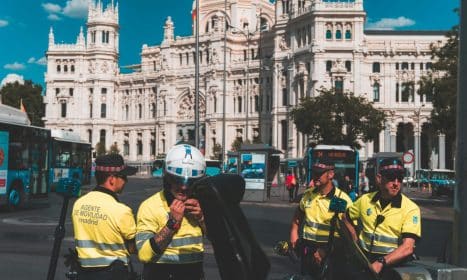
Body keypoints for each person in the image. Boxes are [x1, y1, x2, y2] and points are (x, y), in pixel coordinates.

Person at [136, 144, 207, 280]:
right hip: (160, 275)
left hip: (194, 274)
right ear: (167, 178)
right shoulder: (150, 206)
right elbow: (144, 254)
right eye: (177, 180)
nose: (184, 187)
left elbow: (220, 239)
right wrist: (172, 223)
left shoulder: (200, 205)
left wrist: (202, 218)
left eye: (190, 182)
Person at [343, 158, 421, 279]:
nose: (396, 183)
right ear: (379, 178)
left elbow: (408, 247)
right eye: (391, 178)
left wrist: (382, 262)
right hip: (364, 266)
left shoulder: (410, 208)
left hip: (392, 269)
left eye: (399, 179)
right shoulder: (365, 200)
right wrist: (354, 237)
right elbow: (346, 216)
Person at [71, 154, 138, 280]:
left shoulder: (79, 204)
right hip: (114, 275)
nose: (126, 181)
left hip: (83, 274)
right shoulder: (121, 211)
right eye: (123, 177)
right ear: (112, 179)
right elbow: (134, 248)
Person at [289, 161, 353, 279]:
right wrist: (294, 236)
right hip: (307, 251)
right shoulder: (308, 195)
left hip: (330, 254)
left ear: (330, 175)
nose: (315, 176)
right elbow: (296, 219)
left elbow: (348, 236)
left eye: (319, 174)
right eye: (314, 173)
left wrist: (325, 251)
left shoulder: (338, 199)